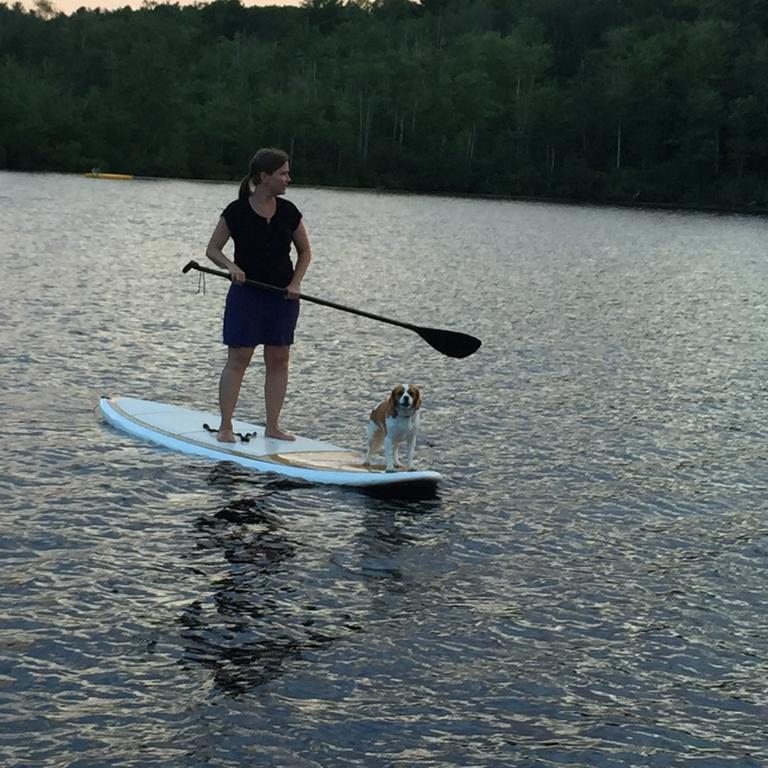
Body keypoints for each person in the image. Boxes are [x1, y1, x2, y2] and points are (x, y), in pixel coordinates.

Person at [205, 147, 312, 442]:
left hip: (283, 297)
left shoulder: (289, 212)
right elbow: (212, 249)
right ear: (264, 177)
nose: (288, 179)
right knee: (239, 358)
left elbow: (305, 252)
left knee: (279, 359)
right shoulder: (236, 211)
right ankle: (226, 426)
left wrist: (296, 283)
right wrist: (231, 266)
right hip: (246, 296)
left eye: (287, 173)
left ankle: (273, 426)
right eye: (283, 173)